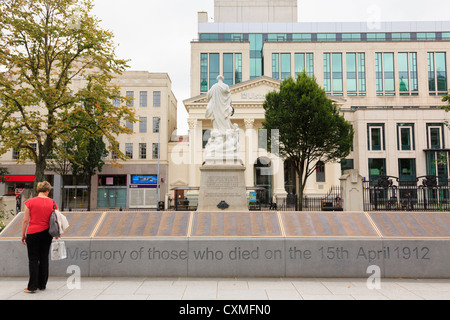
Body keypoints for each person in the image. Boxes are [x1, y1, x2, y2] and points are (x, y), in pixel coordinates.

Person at [20, 181, 59, 293]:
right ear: (47, 191)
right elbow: (57, 219)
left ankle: (32, 286)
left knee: (33, 260)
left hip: (33, 233)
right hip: (47, 234)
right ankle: (42, 285)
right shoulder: (52, 203)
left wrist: (23, 234)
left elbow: (25, 220)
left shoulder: (30, 202)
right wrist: (57, 234)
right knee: (44, 258)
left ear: (38, 190)